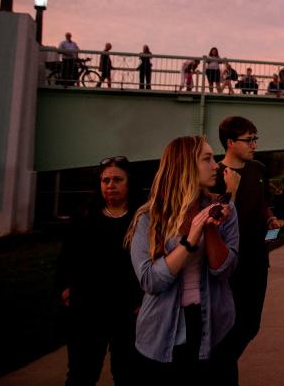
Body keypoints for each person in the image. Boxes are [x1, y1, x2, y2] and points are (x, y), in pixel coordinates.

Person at [126, 136, 238, 378]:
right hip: (163, 329)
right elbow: (150, 281)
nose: (216, 165)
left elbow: (225, 270)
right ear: (185, 165)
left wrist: (209, 226)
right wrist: (189, 239)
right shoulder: (149, 218)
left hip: (214, 327)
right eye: (207, 159)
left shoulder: (223, 211)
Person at [56, 156, 142, 385]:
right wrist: (65, 286)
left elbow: (150, 260)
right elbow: (67, 255)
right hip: (87, 309)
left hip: (127, 310)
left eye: (117, 180)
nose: (110, 185)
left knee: (127, 372)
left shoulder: (142, 217)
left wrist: (143, 298)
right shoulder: (85, 214)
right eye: (105, 180)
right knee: (81, 373)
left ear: (129, 182)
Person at [215, 116, 282, 384]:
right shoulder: (216, 175)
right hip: (229, 264)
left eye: (256, 138)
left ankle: (220, 364)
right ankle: (219, 368)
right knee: (229, 326)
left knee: (251, 325)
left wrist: (270, 221)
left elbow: (262, 202)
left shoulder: (257, 169)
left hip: (258, 259)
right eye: (248, 139)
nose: (254, 144)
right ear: (230, 143)